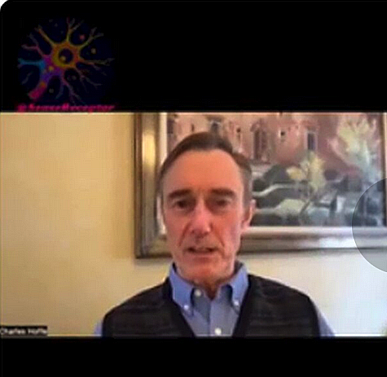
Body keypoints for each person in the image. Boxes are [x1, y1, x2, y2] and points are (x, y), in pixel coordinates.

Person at [96, 132, 333, 337]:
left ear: (246, 216)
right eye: (182, 204)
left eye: (220, 203)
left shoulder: (303, 317)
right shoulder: (116, 328)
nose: (200, 225)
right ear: (162, 215)